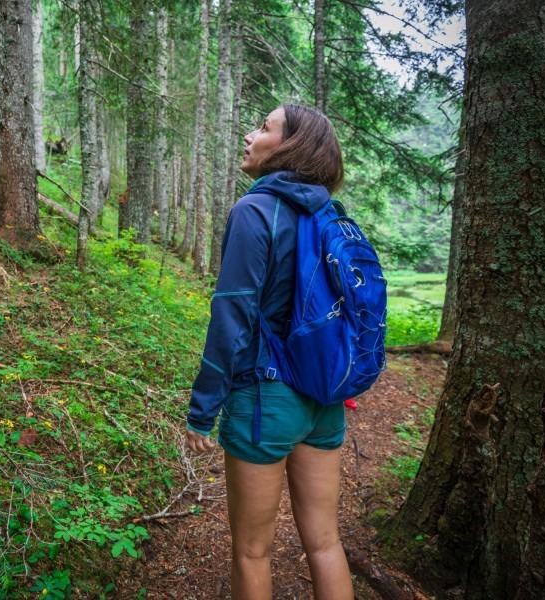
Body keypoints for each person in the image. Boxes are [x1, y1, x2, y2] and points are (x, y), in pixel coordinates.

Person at [185, 104, 353, 600]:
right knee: (325, 543)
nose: (249, 135)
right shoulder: (330, 215)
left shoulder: (255, 210)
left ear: (290, 147)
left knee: (252, 551)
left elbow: (231, 317)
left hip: (265, 398)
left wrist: (202, 411)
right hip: (323, 401)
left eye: (264, 127)